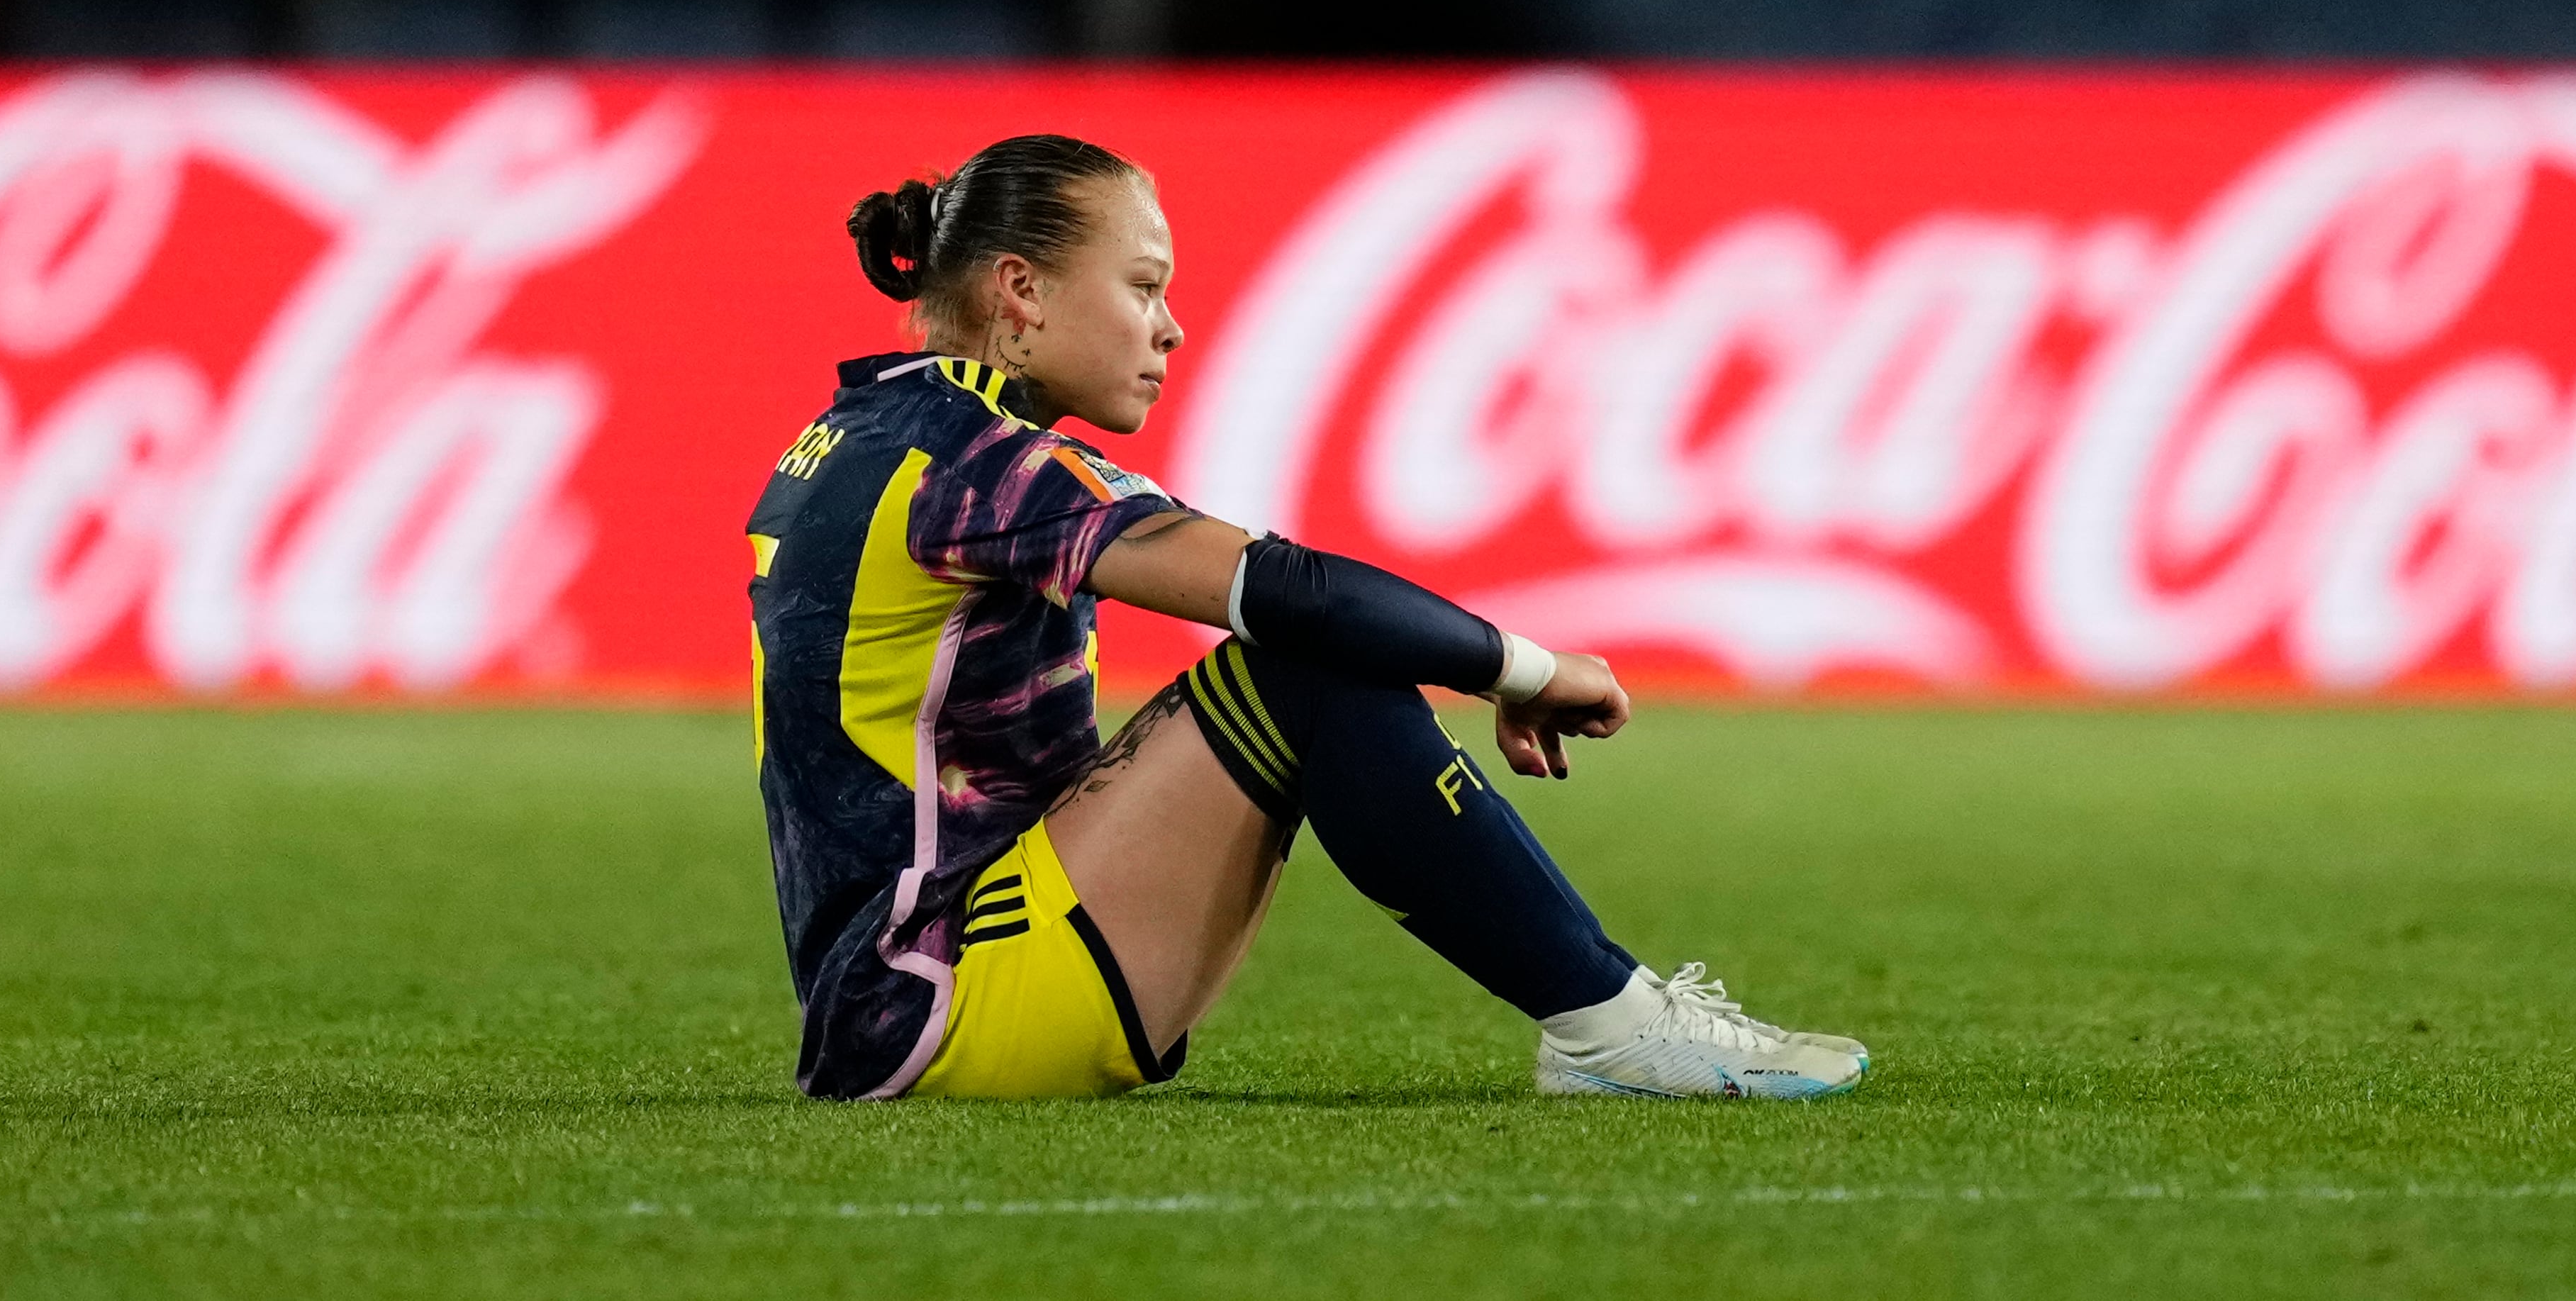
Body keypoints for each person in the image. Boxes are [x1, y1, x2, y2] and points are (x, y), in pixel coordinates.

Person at [752, 131, 1868, 1102]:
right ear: (1022, 292)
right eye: (1143, 285)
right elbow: (1289, 589)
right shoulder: (978, 463)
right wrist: (1524, 669)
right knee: (1307, 667)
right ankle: (1615, 1026)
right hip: (940, 1001)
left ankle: (1606, 1015)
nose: (1171, 327)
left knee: (1296, 667)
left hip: (885, 993)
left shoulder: (860, 432)